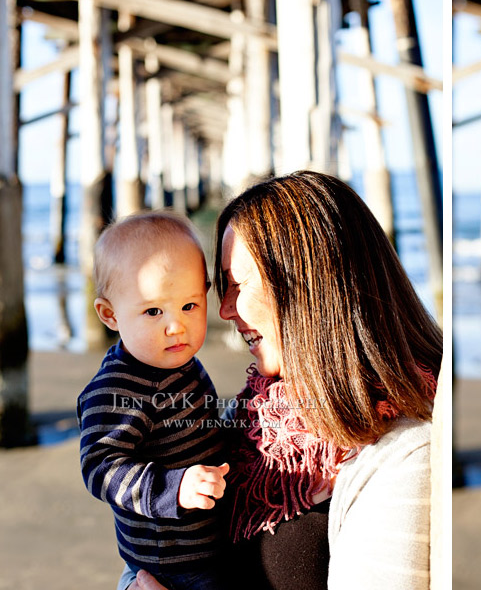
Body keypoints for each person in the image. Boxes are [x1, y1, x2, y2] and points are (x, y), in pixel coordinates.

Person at [129, 170, 441, 590]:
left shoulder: (408, 451)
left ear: (308, 286)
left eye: (237, 284)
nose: (224, 309)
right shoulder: (254, 422)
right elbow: (161, 558)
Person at [76, 212, 230, 590]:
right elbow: (101, 468)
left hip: (211, 546)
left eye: (189, 306)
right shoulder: (117, 390)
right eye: (153, 311)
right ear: (110, 314)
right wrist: (172, 488)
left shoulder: (179, 362)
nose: (176, 325)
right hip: (170, 566)